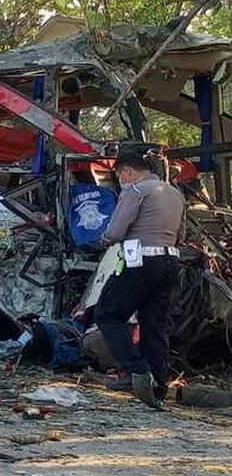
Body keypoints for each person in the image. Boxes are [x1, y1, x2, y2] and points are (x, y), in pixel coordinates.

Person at [95, 150, 185, 409]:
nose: (120, 179)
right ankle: (158, 384)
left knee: (108, 315)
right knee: (154, 323)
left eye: (119, 175)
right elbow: (181, 234)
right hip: (169, 261)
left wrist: (98, 242)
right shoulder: (175, 194)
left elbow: (115, 231)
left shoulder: (135, 191)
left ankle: (135, 371)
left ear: (126, 171)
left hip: (139, 261)